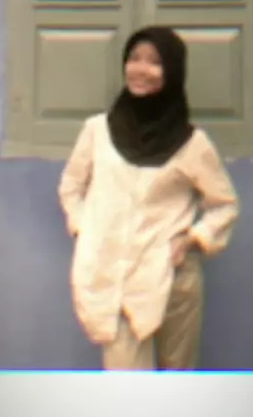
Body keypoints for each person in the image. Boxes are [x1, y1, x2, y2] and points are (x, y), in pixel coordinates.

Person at [58, 26, 240, 371]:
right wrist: (86, 232)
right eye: (134, 58)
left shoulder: (192, 144)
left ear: (172, 72)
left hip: (173, 277)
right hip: (115, 276)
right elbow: (71, 186)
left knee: (177, 380)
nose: (140, 69)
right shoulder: (97, 130)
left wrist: (191, 240)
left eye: (154, 62)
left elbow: (224, 204)